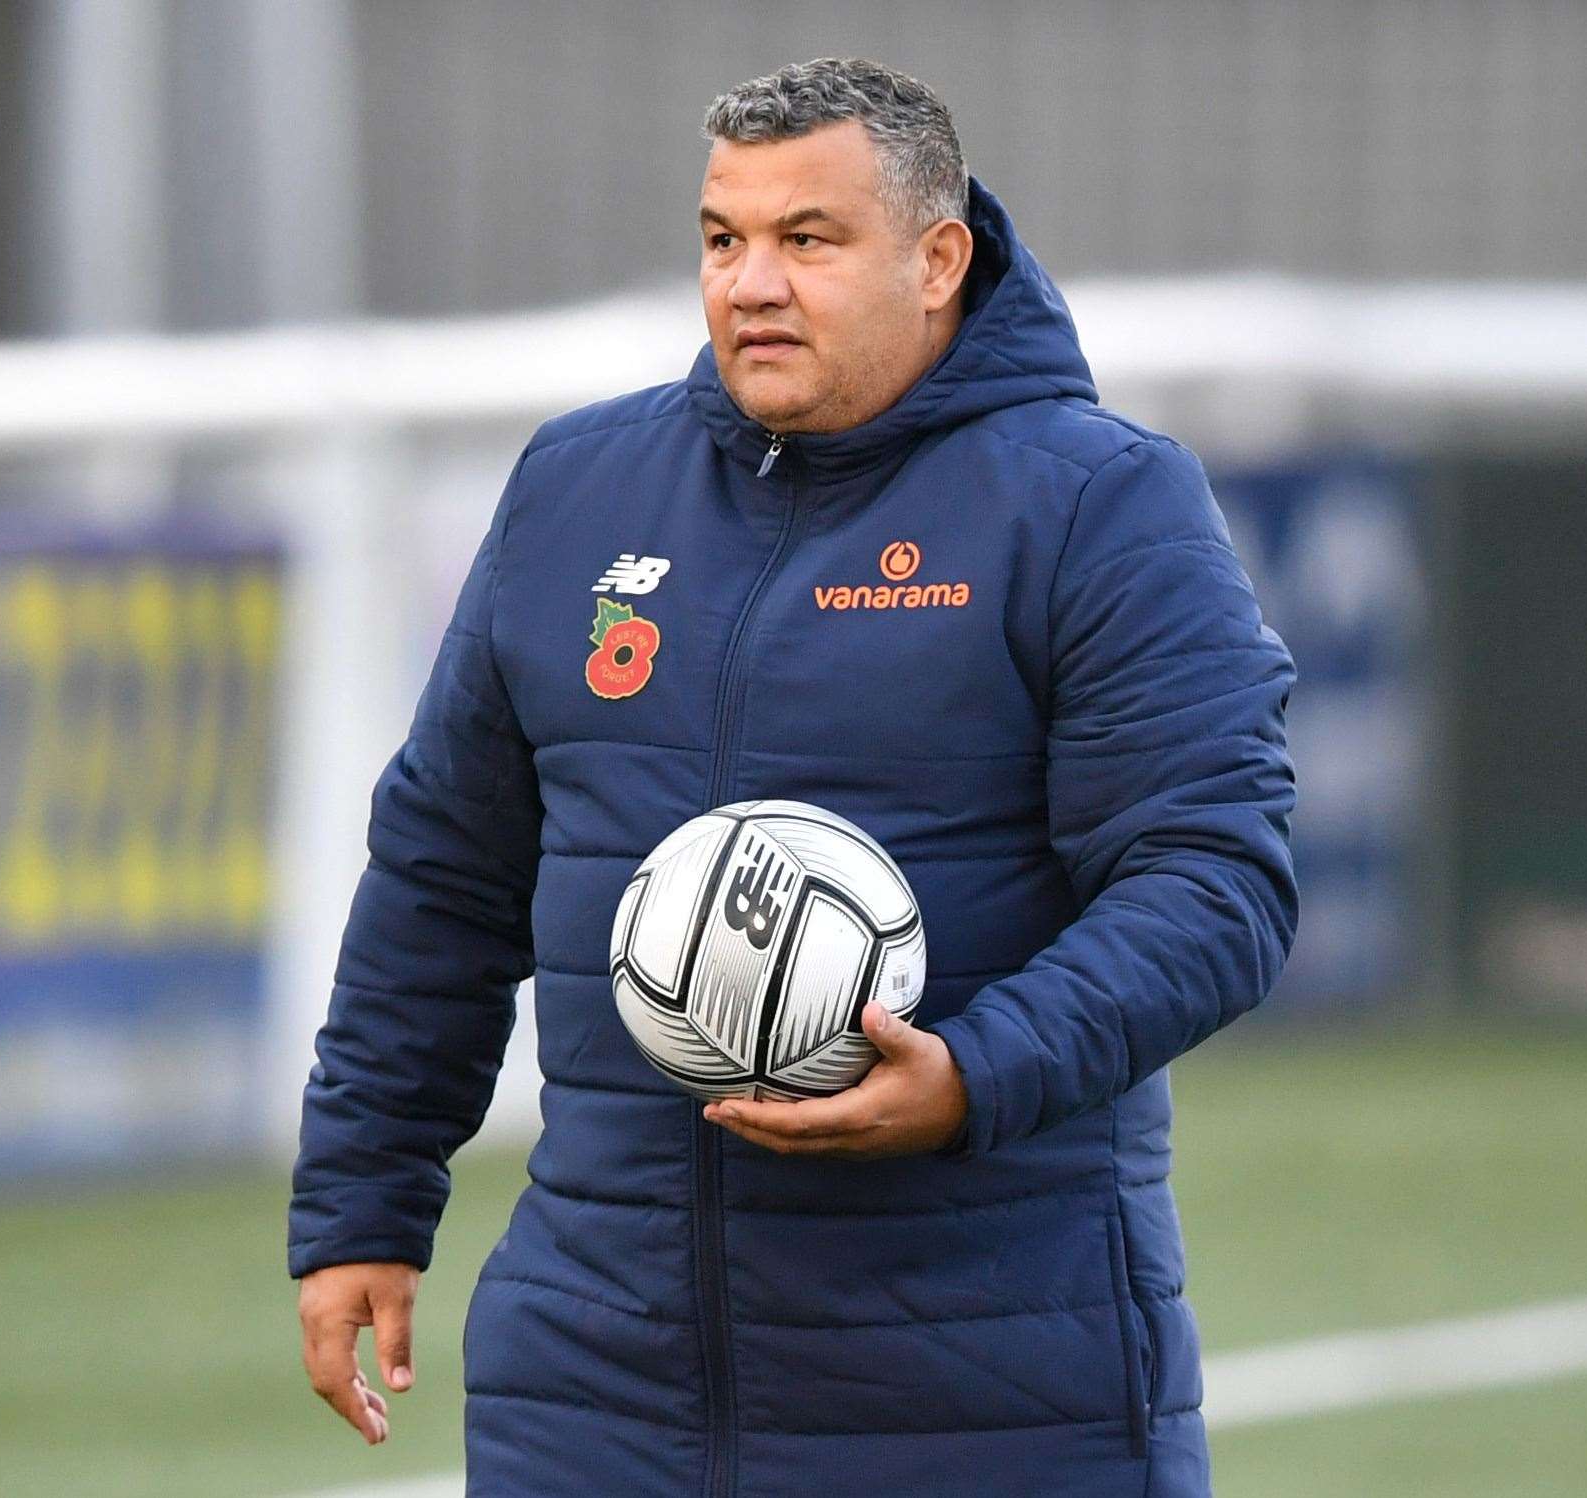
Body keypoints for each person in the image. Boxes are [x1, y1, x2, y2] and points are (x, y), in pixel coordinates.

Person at [289, 56, 1296, 1498]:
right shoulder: (578, 489)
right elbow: (443, 880)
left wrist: (972, 1073)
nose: (751, 282)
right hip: (592, 1396)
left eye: (807, 240)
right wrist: (359, 1204)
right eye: (722, 239)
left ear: (937, 258)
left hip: (993, 1398)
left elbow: (1215, 881)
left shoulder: (1097, 503)